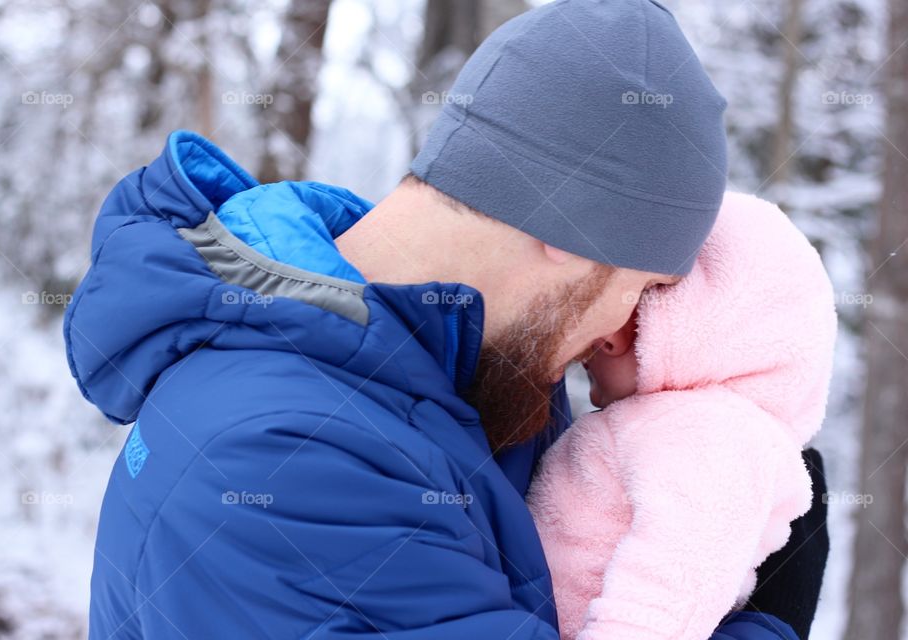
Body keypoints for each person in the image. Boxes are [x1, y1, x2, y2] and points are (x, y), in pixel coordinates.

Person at [64, 0, 828, 638]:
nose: (621, 329)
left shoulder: (442, 368)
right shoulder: (288, 460)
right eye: (641, 285)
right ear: (565, 230)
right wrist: (770, 617)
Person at [527, 192, 837, 640]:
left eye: (641, 304)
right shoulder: (668, 424)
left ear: (719, 327)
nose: (604, 333)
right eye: (604, 292)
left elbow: (667, 595)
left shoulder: (713, 433)